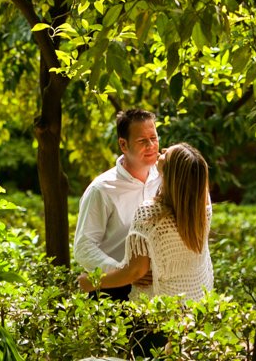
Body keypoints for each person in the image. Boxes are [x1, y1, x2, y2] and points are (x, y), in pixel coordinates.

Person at [77, 143, 215, 359]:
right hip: (192, 305)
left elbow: (135, 272)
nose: (161, 150)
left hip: (155, 313)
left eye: (167, 153)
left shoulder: (150, 214)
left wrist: (91, 282)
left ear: (170, 171)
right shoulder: (201, 208)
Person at [73, 108, 162, 301]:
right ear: (123, 144)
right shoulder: (102, 189)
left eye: (154, 138)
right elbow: (83, 246)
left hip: (159, 292)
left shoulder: (166, 179)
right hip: (112, 293)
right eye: (142, 141)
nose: (151, 146)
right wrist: (126, 272)